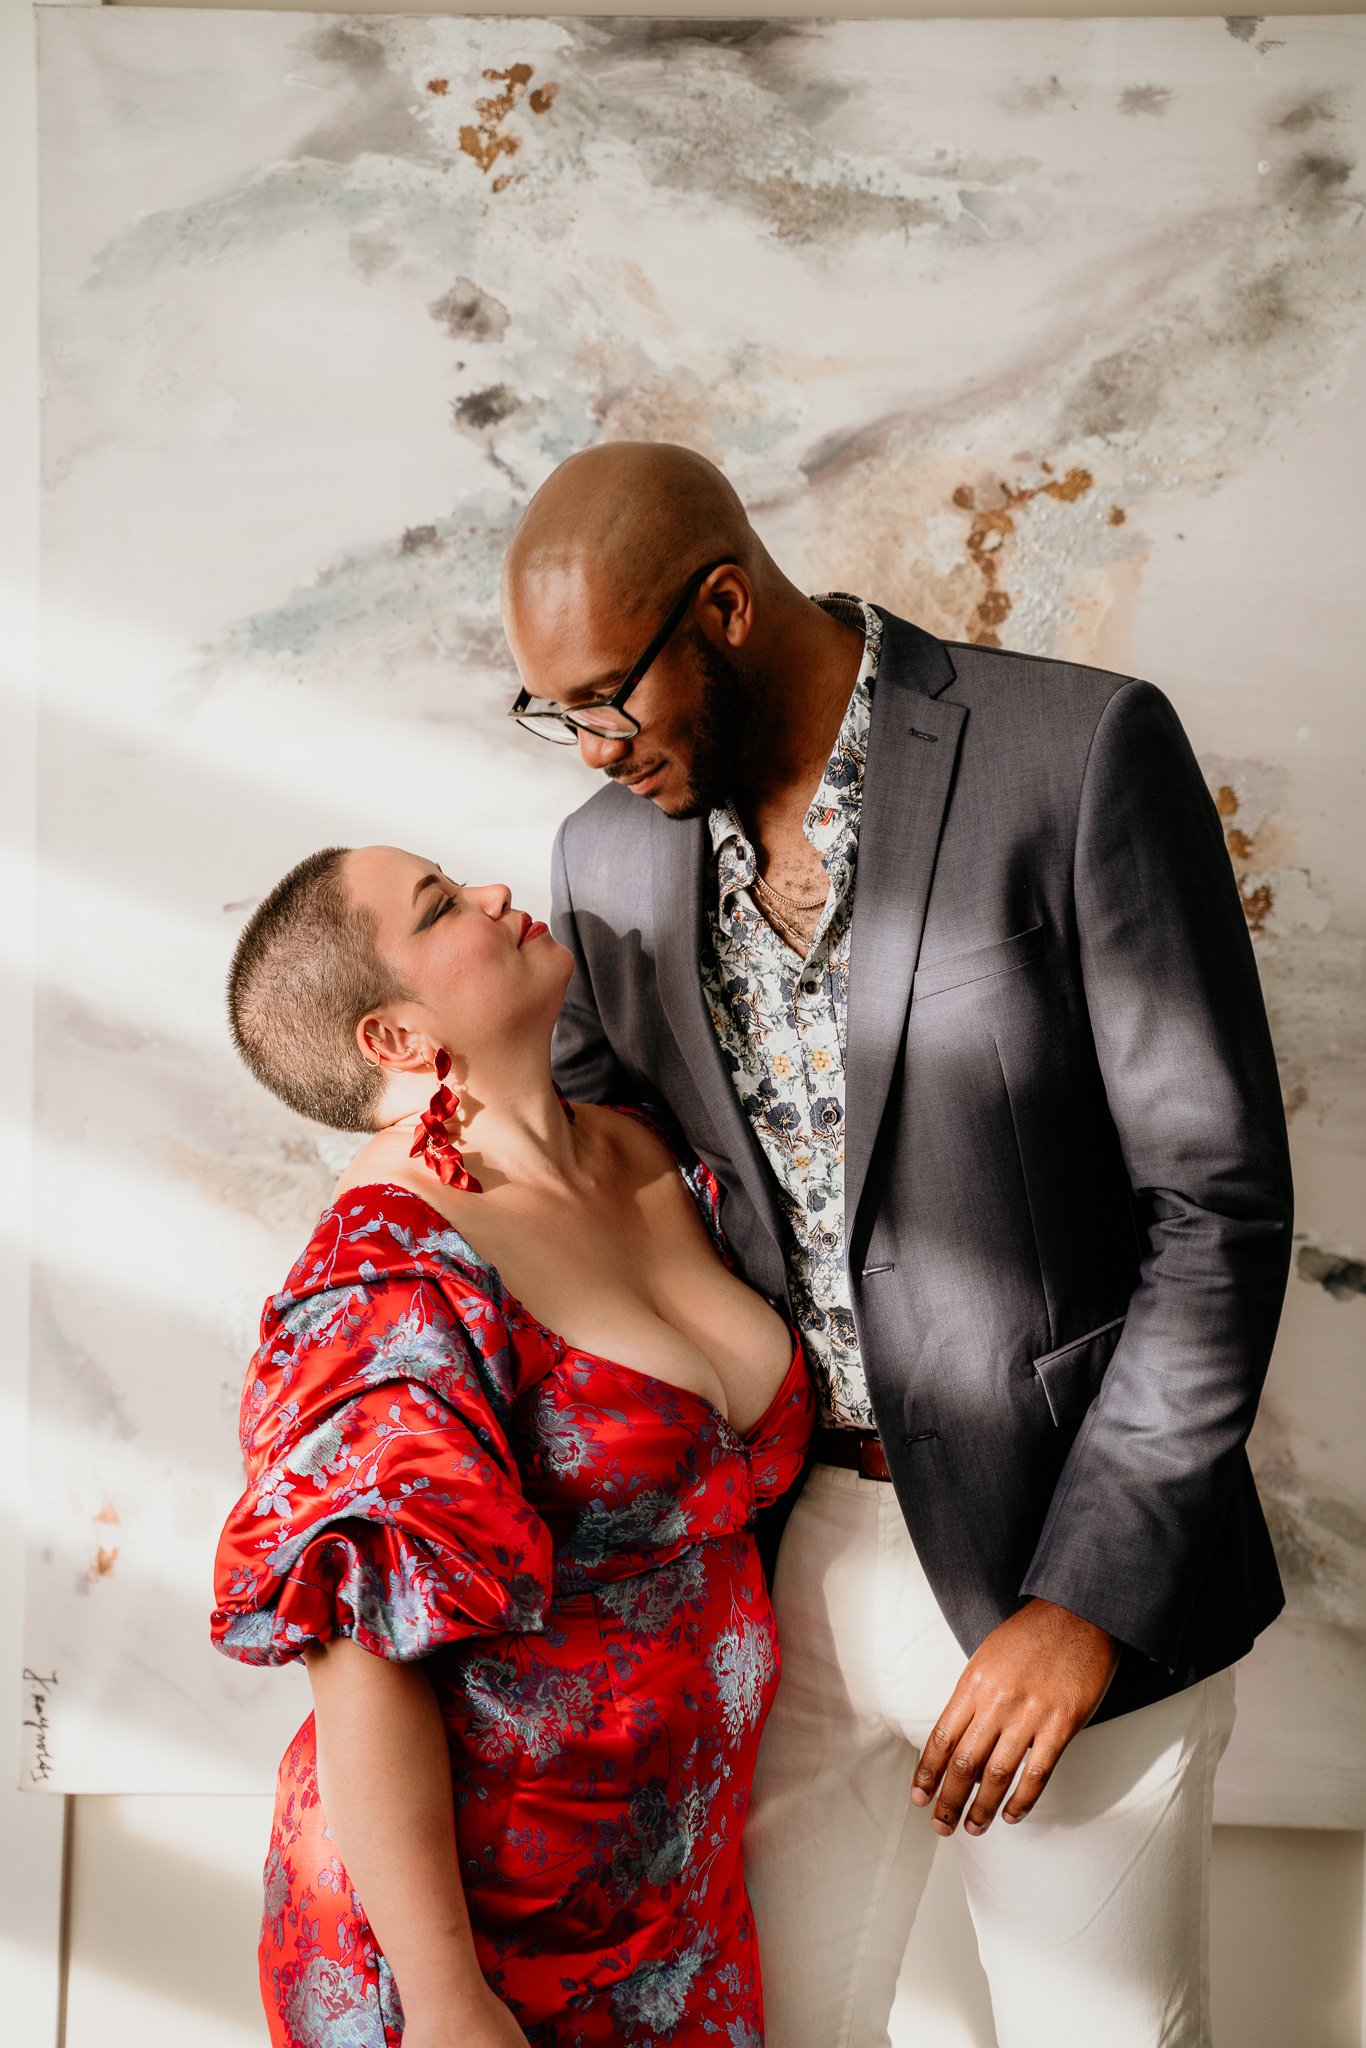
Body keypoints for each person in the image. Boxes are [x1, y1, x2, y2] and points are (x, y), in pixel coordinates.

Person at [501, 441, 1294, 2048]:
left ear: (724, 608)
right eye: (552, 713)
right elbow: (595, 1185)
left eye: (605, 700)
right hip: (769, 1576)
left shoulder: (1075, 751)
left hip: (1059, 1568)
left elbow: (1211, 1204)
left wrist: (1085, 1600)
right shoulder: (605, 857)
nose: (589, 749)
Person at [211, 842, 813, 2048]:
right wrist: (446, 2001)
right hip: (471, 1937)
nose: (493, 893)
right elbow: (360, 1654)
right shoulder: (387, 1268)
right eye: (441, 906)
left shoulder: (646, 1150)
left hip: (677, 1895)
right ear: (395, 1037)